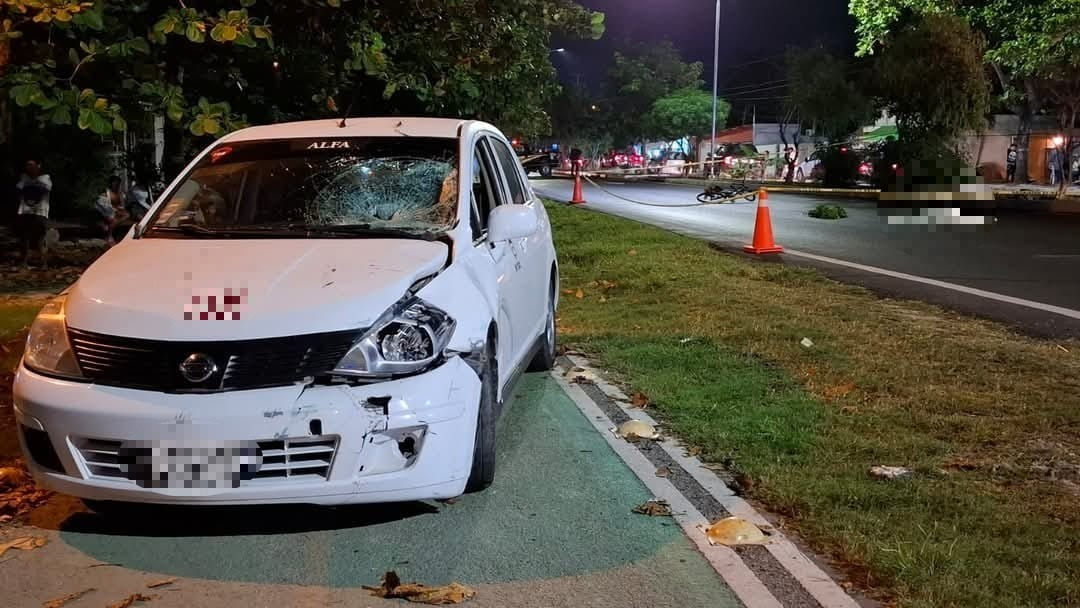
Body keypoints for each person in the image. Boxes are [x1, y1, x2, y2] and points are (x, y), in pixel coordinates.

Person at [14, 159, 53, 269]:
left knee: (41, 237)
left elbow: (44, 190)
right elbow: (18, 190)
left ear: (38, 166)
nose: (29, 167)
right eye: (27, 165)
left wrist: (30, 185)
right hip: (25, 211)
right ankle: (24, 262)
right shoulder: (24, 177)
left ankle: (43, 262)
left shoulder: (45, 178)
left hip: (40, 212)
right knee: (24, 237)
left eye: (32, 165)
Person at [95, 175, 127, 246]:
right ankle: (109, 235)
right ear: (111, 183)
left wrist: (120, 208)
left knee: (126, 215)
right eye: (115, 183)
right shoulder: (106, 193)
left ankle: (109, 227)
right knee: (113, 219)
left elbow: (122, 205)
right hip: (107, 212)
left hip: (117, 211)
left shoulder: (121, 194)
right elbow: (104, 206)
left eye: (118, 183)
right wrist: (115, 210)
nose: (117, 185)